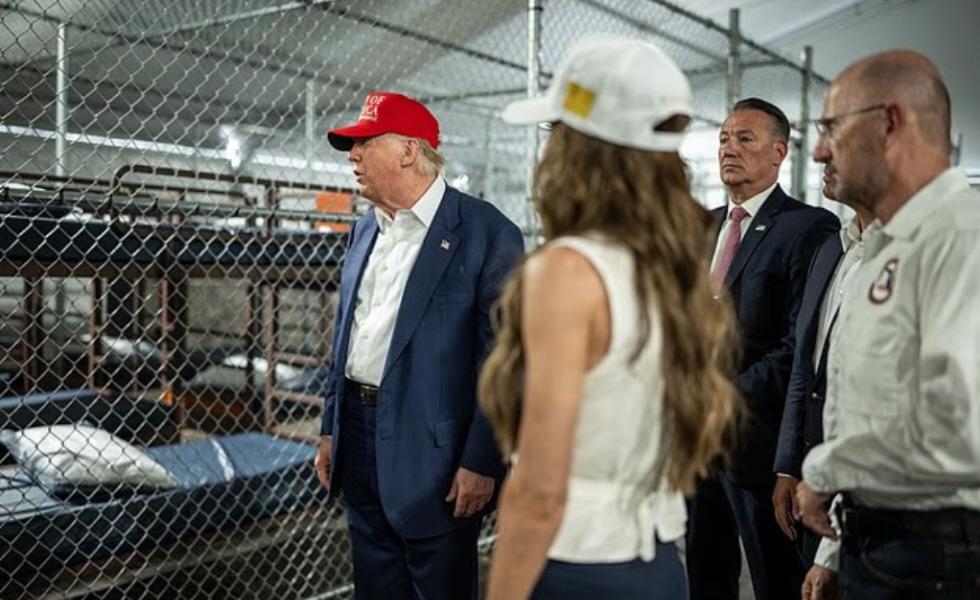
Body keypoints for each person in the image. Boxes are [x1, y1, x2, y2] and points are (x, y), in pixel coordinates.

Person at [478, 36, 740, 600]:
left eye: (555, 132)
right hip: (657, 565)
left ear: (578, 149)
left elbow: (540, 491)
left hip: (576, 569)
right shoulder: (671, 271)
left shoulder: (566, 271)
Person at [313, 91, 524, 600]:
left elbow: (504, 361)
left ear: (410, 150)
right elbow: (347, 337)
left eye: (365, 143)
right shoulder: (364, 231)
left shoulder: (487, 232)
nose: (353, 156)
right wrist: (330, 426)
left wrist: (482, 460)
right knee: (375, 583)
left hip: (437, 452)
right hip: (358, 436)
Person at [796, 49, 980, 599]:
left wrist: (826, 471)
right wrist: (837, 549)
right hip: (878, 544)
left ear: (889, 122)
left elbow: (961, 428)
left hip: (937, 556)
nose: (820, 150)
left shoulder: (961, 238)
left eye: (831, 126)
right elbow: (869, 407)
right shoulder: (883, 248)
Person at [685, 97, 840, 600]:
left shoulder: (807, 227)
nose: (729, 148)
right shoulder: (702, 226)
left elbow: (799, 344)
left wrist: (722, 397)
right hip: (700, 442)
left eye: (744, 139)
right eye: (724, 139)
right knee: (704, 573)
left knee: (776, 580)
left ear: (778, 152)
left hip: (761, 445)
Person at [771, 180, 873, 597]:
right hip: (813, 478)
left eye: (838, 146)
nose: (821, 155)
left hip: (866, 495)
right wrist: (787, 465)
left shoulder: (907, 258)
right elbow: (805, 366)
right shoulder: (833, 249)